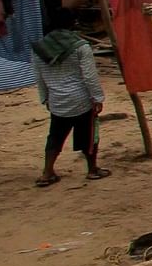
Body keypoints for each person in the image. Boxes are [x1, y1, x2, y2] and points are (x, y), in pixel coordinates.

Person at [31, 25, 108, 186]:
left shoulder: (40, 50)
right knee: (89, 136)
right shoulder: (81, 47)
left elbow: (39, 76)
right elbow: (89, 75)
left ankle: (47, 173)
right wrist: (97, 98)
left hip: (57, 101)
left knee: (55, 136)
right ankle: (92, 169)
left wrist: (45, 98)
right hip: (81, 100)